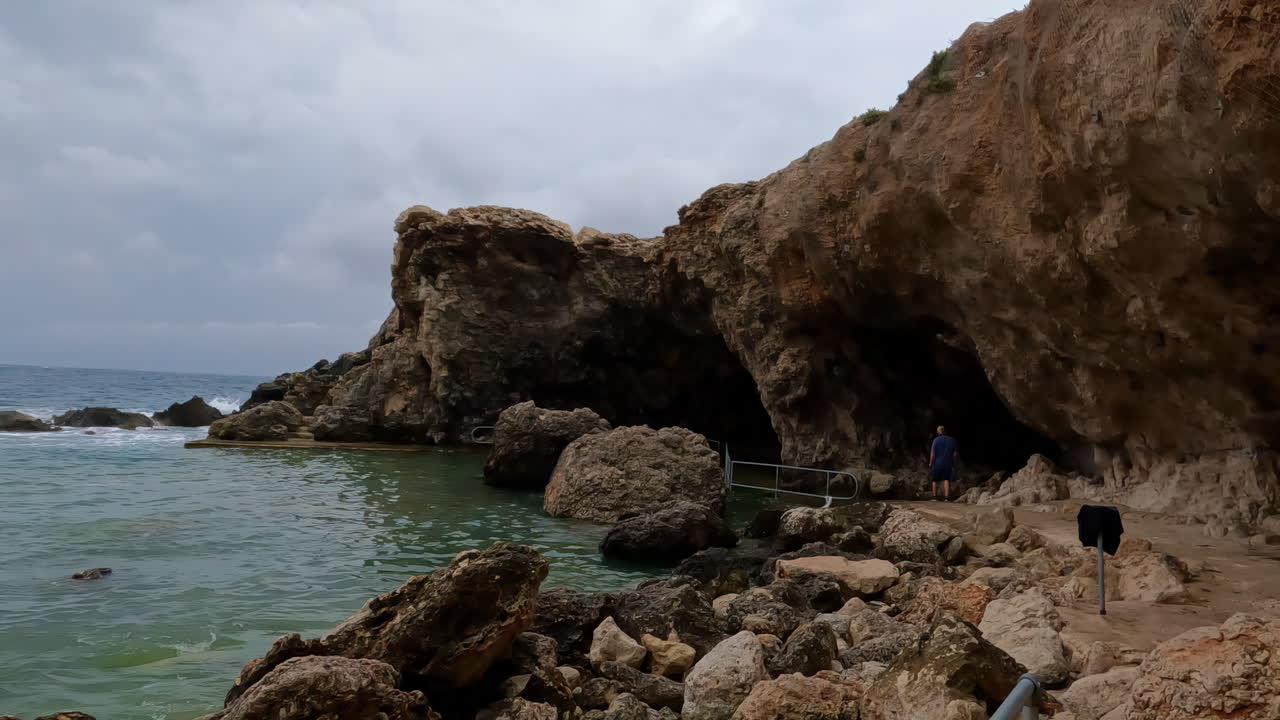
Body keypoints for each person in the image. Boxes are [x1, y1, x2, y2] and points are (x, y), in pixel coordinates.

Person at [928, 425, 959, 500]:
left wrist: (930, 463)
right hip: (948, 463)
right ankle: (947, 497)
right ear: (945, 431)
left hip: (937, 463)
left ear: (938, 432)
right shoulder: (952, 440)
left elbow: (932, 453)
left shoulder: (936, 440)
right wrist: (954, 463)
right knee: (946, 479)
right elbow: (955, 454)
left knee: (935, 480)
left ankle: (934, 497)